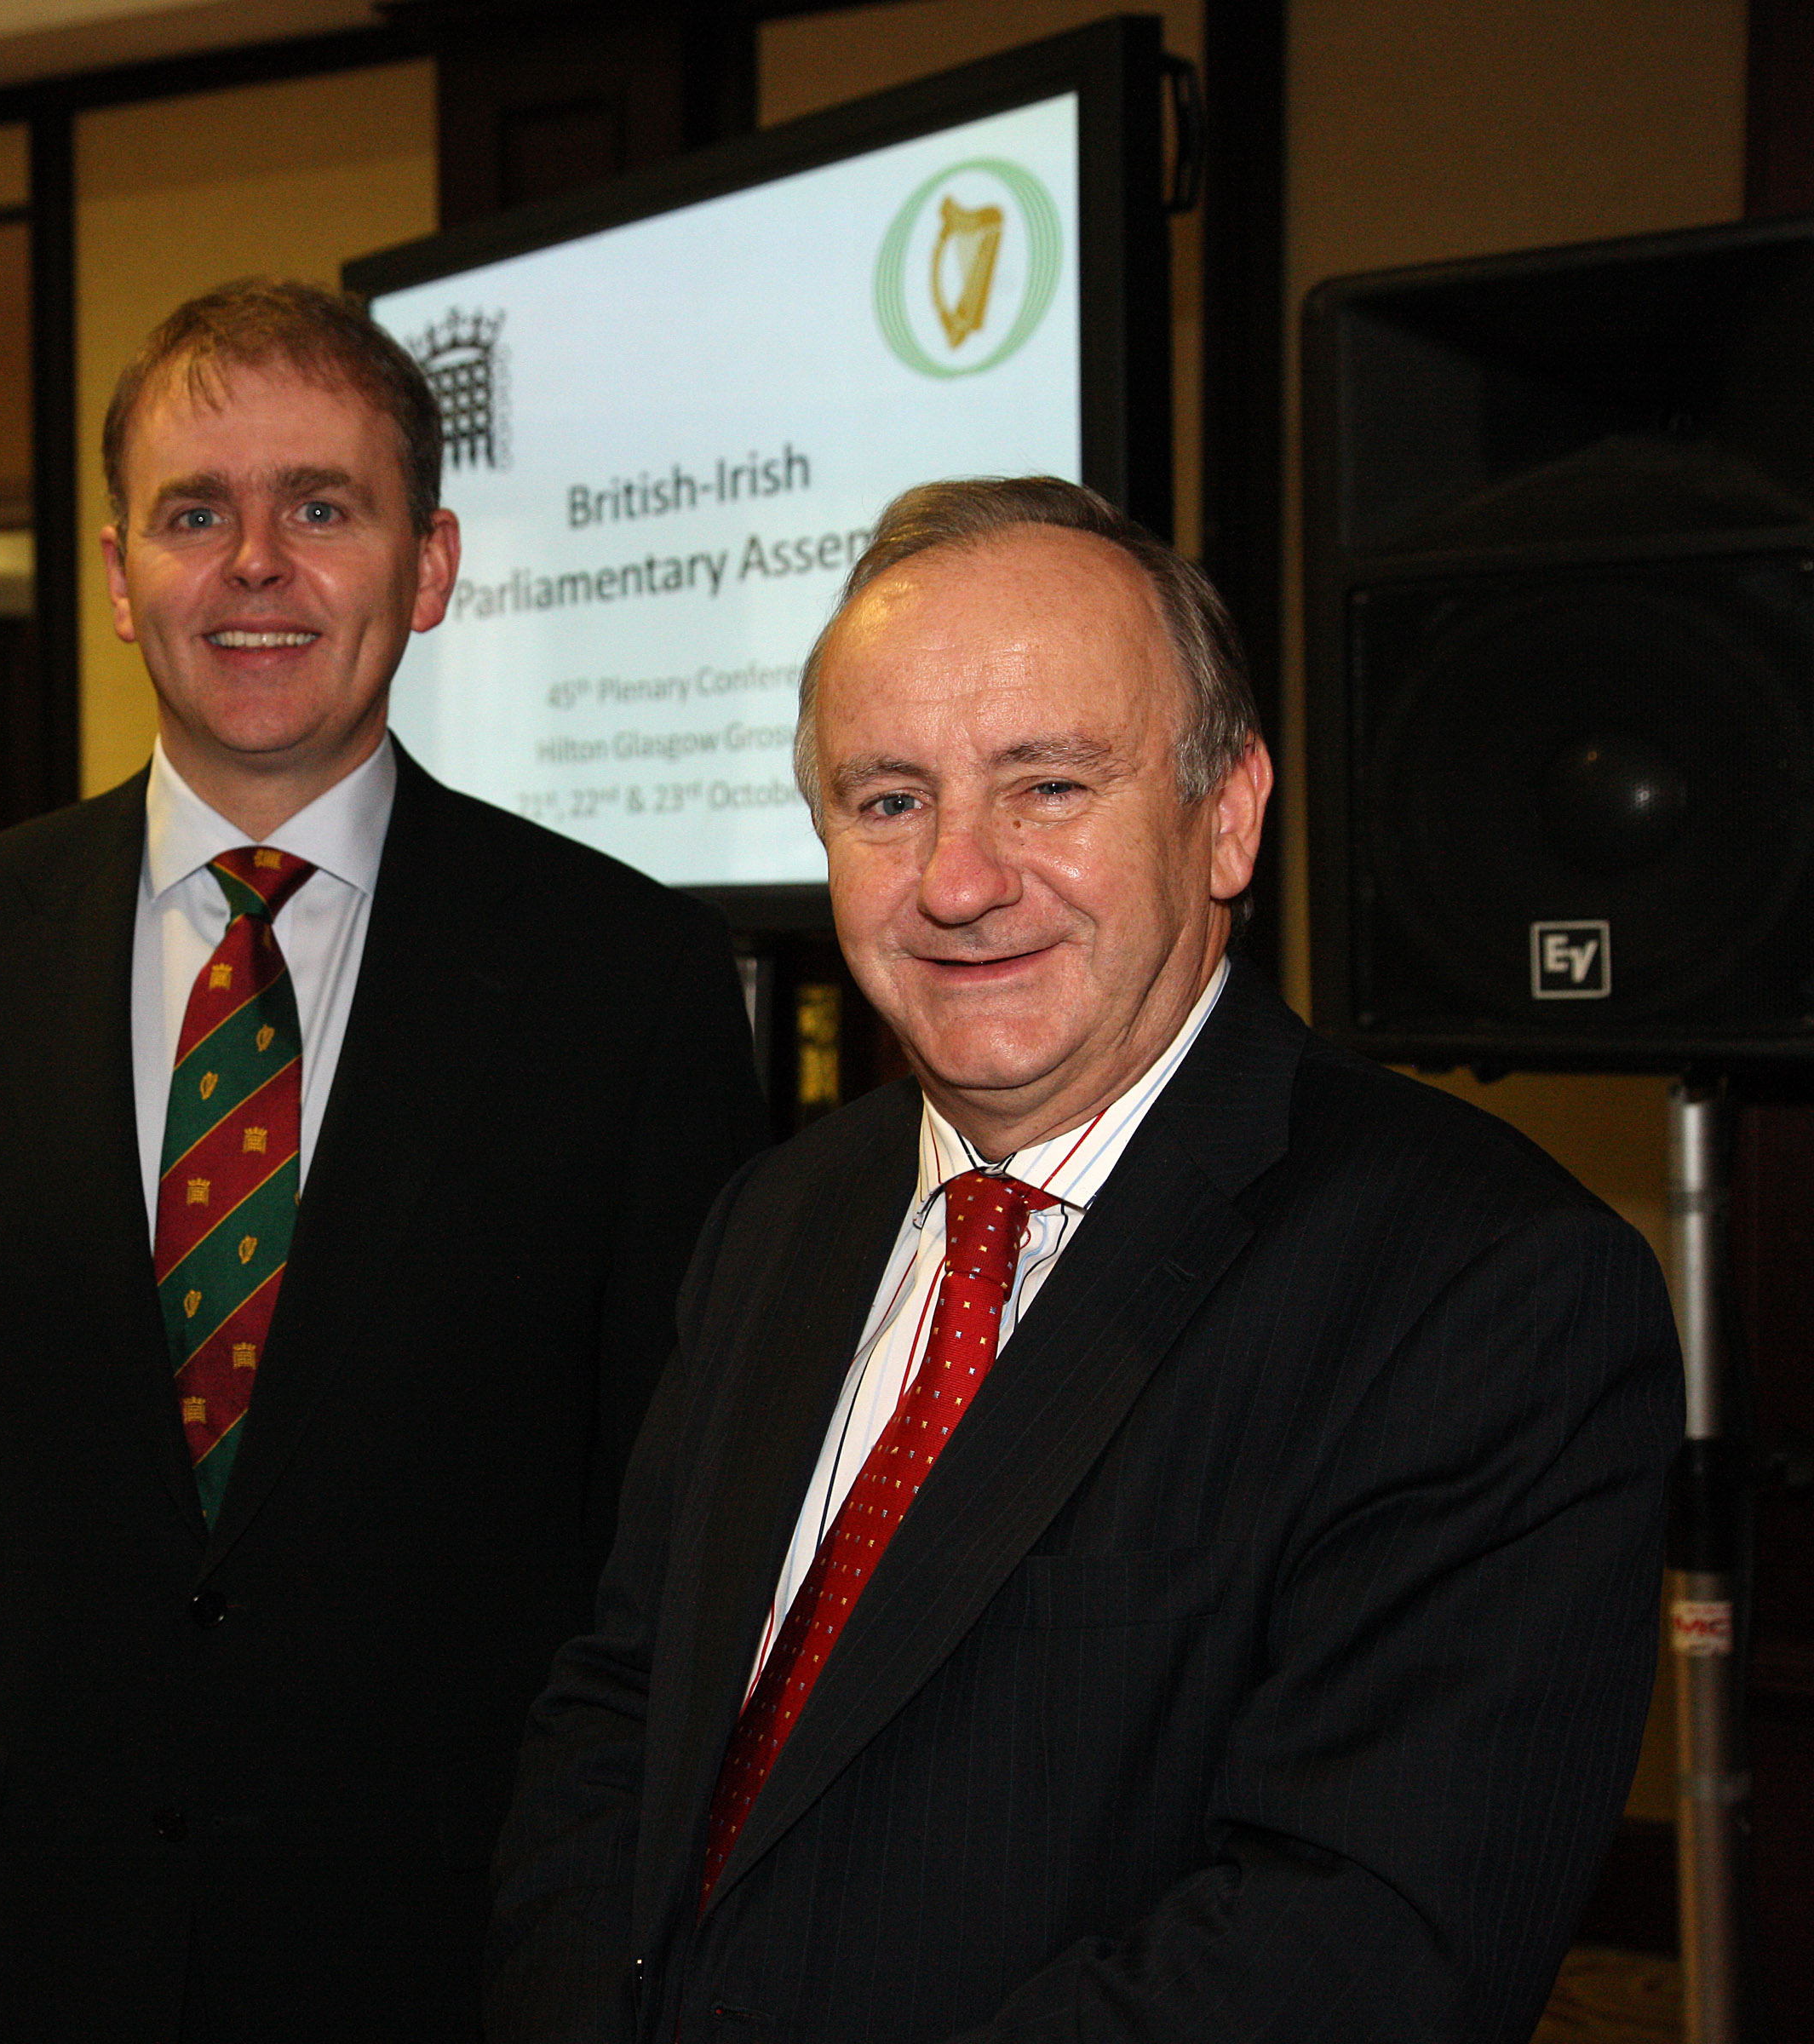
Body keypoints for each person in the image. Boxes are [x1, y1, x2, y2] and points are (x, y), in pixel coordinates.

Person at [485, 476, 1680, 2044]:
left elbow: (1365, 1949)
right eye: (888, 800)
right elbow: (624, 1713)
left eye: (1048, 786)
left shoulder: (1486, 1291)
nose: (961, 880)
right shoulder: (777, 1220)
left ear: (1229, 814)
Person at [0, 277, 766, 2041]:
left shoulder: (624, 984)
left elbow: (671, 1548)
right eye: (197, 512)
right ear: (118, 577)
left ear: (430, 566)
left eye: (322, 505)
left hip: (453, 1954)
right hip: (10, 1951)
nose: (256, 561)